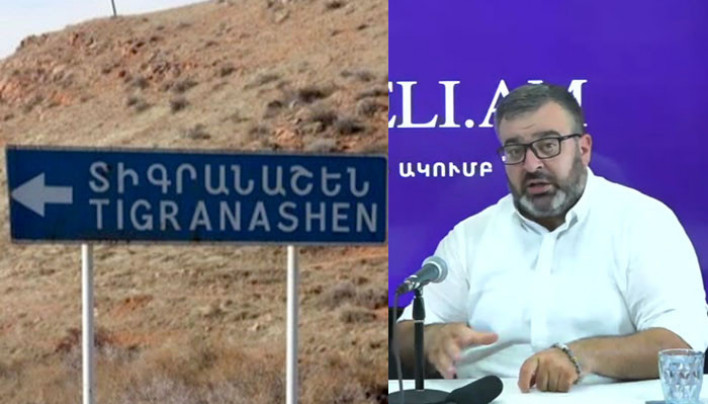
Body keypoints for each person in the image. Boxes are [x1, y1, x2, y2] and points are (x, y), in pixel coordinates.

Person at [394, 83, 708, 393]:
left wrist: (584, 356)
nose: (531, 165)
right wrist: (431, 338)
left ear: (583, 149)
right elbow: (403, 337)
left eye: (547, 145)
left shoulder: (643, 222)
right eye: (515, 150)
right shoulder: (470, 236)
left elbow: (683, 342)